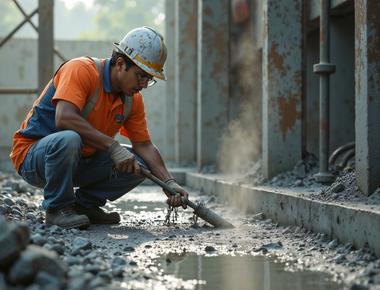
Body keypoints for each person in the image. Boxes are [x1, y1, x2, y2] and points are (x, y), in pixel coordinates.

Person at [9, 26, 188, 229]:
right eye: (141, 76)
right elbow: (64, 118)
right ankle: (57, 209)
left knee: (140, 163)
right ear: (120, 64)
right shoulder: (81, 70)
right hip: (34, 158)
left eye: (149, 79)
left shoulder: (132, 99)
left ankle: (84, 206)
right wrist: (113, 147)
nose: (144, 84)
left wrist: (169, 183)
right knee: (69, 139)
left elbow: (144, 146)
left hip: (79, 160)